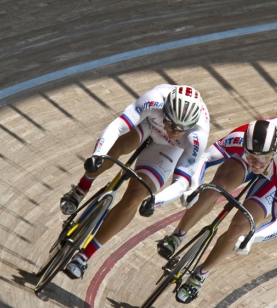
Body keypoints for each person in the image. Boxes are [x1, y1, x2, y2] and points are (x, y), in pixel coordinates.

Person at [60, 84, 210, 279]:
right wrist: (98, 154)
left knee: (136, 197)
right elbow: (118, 126)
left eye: (182, 129)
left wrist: (154, 201)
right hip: (150, 124)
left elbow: (181, 183)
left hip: (169, 149)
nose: (175, 131)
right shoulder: (154, 100)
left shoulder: (197, 136)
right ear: (166, 110)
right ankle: (81, 188)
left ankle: (84, 256)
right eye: (172, 124)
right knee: (117, 148)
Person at [156, 117, 277, 303]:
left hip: (275, 173)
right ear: (245, 147)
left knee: (239, 229)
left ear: (273, 152)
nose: (257, 164)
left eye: (263, 158)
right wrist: (194, 186)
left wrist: (253, 237)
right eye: (252, 157)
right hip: (259, 155)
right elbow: (204, 157)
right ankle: (178, 235)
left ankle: (201, 275)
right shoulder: (239, 138)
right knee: (213, 188)